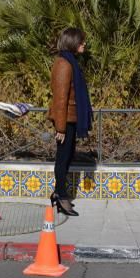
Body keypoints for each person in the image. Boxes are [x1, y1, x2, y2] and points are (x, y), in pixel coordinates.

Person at [47, 28, 93, 217]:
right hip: (65, 120)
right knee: (63, 158)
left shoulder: (70, 62)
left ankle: (59, 194)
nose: (84, 44)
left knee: (67, 157)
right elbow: (60, 98)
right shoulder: (64, 64)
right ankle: (61, 196)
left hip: (71, 118)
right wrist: (61, 127)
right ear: (72, 42)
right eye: (81, 41)